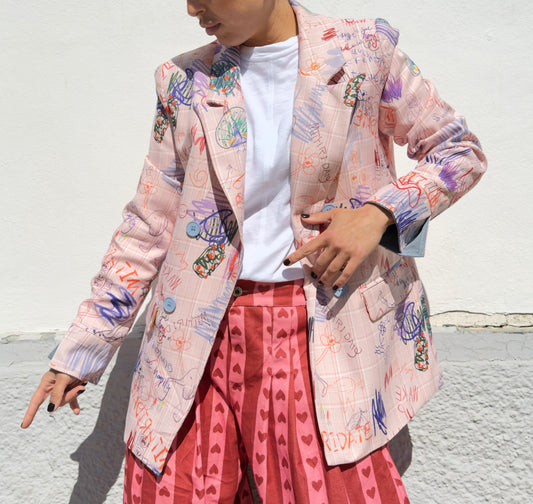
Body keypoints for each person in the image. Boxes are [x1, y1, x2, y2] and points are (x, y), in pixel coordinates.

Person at [22, 0, 487, 502]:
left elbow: (458, 150)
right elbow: (149, 225)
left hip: (322, 332)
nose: (192, 8)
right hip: (194, 341)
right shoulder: (184, 81)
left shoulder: (363, 52)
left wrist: (378, 215)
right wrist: (85, 347)